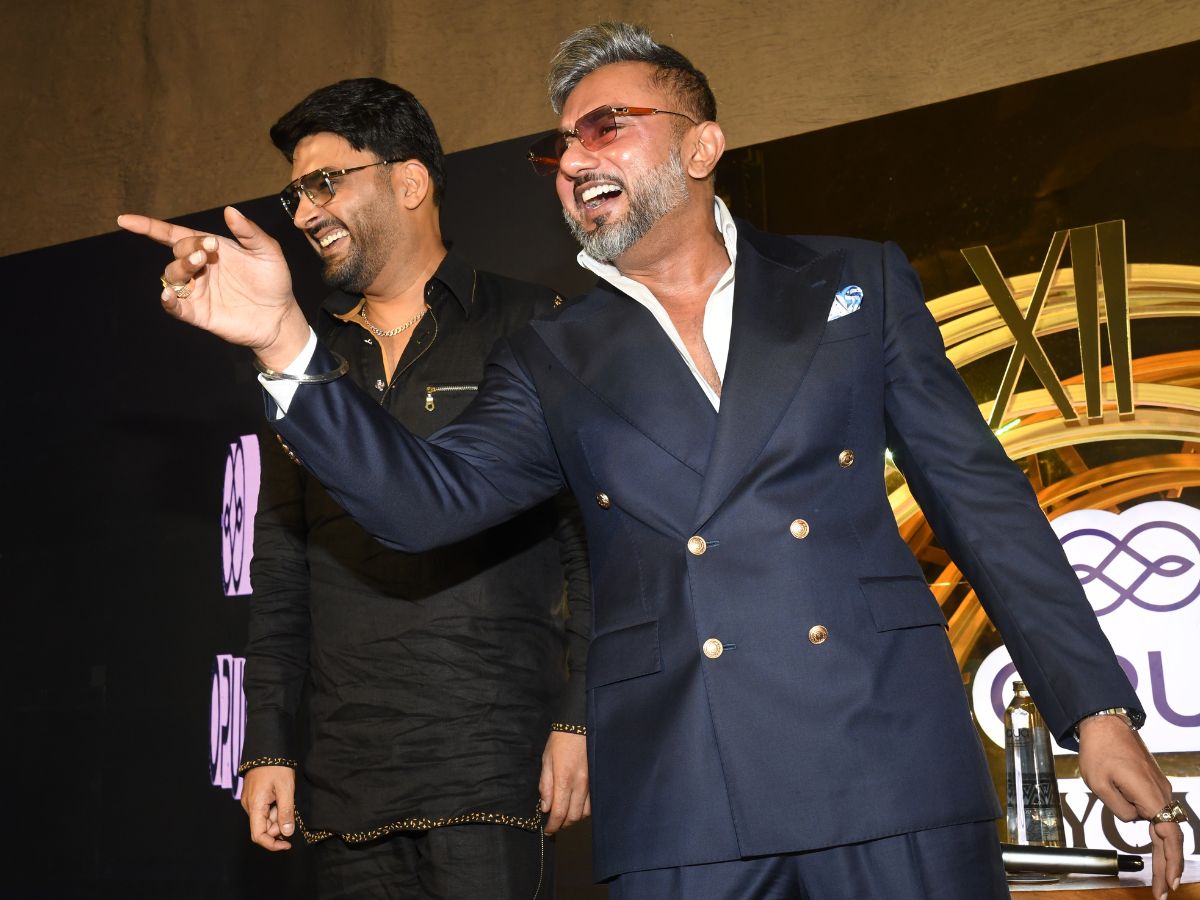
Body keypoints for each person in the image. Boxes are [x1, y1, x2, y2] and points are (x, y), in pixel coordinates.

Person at [119, 23, 1187, 900]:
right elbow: (423, 506)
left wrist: (1094, 708)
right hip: (687, 801)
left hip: (886, 767)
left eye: (607, 127)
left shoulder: (852, 283)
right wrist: (285, 343)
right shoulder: (554, 354)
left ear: (701, 145)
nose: (575, 159)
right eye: (559, 147)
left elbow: (980, 501)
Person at [192, 78, 592, 900]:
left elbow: (593, 548)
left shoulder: (531, 325)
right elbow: (281, 569)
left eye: (324, 183)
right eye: (295, 194)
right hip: (348, 779)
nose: (304, 214)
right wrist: (267, 744)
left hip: (491, 764)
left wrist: (581, 714)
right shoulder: (301, 356)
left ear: (409, 182)